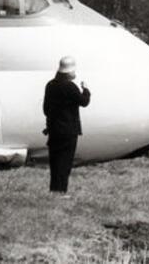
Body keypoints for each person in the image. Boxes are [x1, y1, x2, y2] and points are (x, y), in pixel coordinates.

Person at [43, 55, 91, 195]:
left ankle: (54, 189)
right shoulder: (70, 87)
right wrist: (86, 90)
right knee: (65, 161)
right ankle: (61, 190)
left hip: (54, 130)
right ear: (69, 71)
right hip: (68, 131)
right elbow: (84, 102)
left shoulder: (50, 85)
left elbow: (45, 109)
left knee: (55, 161)